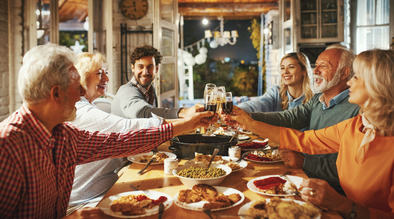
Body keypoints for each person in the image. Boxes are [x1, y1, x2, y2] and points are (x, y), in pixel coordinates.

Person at [0, 43, 212, 219]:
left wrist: (186, 125)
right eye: (77, 87)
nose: (82, 93)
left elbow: (120, 141)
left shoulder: (62, 135)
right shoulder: (8, 146)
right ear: (56, 93)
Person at [225, 49, 394, 218]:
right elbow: (302, 139)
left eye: (356, 77)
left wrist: (343, 204)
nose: (350, 82)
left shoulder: (357, 118)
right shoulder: (354, 126)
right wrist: (247, 121)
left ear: (377, 84)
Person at [227, 45, 360, 196]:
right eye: (315, 66)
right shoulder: (318, 100)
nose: (315, 71)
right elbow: (289, 118)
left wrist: (305, 162)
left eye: (323, 66)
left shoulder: (357, 110)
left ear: (344, 73)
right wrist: (247, 116)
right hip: (304, 178)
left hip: (334, 192)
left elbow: (353, 172)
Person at [68, 52, 169, 207]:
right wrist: (186, 121)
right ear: (83, 77)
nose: (106, 79)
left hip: (106, 190)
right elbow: (130, 126)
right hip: (87, 202)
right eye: (99, 73)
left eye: (106, 73)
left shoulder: (88, 106)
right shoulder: (84, 112)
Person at [111, 45, 199, 119]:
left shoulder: (150, 89)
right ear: (133, 68)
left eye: (150, 67)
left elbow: (152, 121)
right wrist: (183, 112)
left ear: (156, 68)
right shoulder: (126, 91)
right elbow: (143, 113)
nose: (145, 72)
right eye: (140, 67)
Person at [238, 52, 314, 113]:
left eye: (291, 67)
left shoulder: (314, 99)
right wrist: (238, 109)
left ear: (304, 71)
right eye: (282, 68)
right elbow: (259, 104)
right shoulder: (276, 92)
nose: (285, 72)